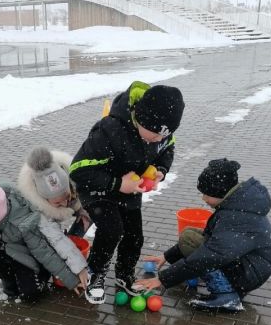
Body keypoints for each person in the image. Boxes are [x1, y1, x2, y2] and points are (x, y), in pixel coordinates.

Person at [69, 82, 185, 304]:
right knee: (112, 230)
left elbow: (168, 148)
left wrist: (161, 170)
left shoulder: (160, 134)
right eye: (153, 136)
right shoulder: (109, 130)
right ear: (140, 119)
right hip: (97, 189)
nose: (158, 141)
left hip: (130, 190)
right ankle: (95, 273)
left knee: (134, 236)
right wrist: (116, 184)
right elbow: (78, 170)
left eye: (163, 136)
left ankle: (124, 275)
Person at [137, 158, 271, 312]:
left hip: (249, 273)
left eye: (206, 194)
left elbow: (210, 255)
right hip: (249, 265)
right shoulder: (236, 205)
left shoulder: (235, 217)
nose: (203, 198)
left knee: (204, 255)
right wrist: (167, 257)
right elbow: (209, 239)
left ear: (219, 193)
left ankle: (226, 296)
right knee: (189, 237)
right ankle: (225, 284)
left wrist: (163, 279)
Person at [0, 178, 87, 301]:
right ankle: (9, 278)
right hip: (7, 252)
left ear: (0, 217)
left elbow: (44, 253)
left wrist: (71, 280)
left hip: (27, 259)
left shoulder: (23, 220)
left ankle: (41, 275)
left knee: (30, 297)